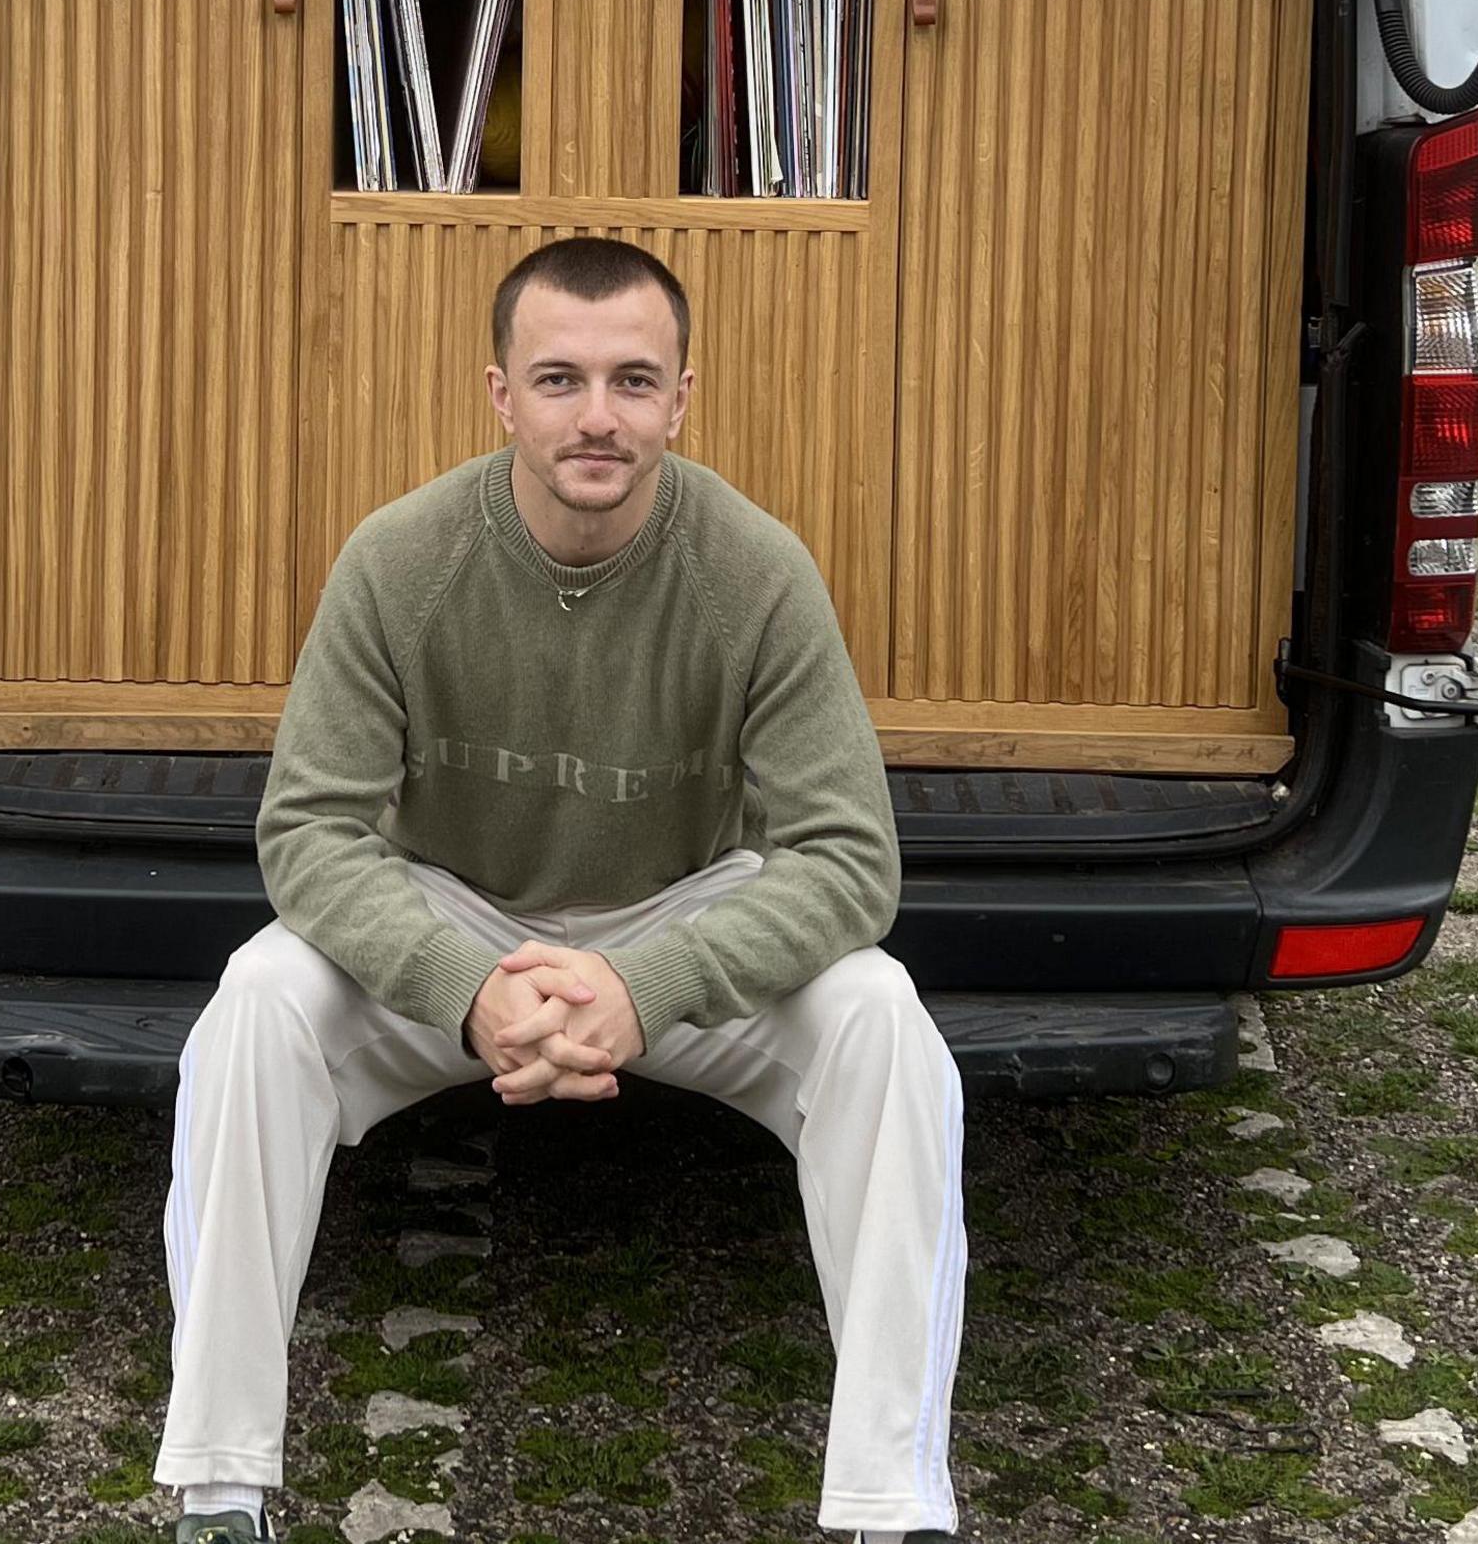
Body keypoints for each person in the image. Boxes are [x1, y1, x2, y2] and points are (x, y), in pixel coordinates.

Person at [155, 236, 967, 1543]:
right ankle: (218, 1484)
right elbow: (309, 830)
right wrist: (466, 986)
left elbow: (849, 857)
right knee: (258, 997)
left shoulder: (757, 572)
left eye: (635, 381)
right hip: (457, 914)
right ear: (500, 394)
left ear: (682, 398)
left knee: (880, 1013)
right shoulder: (399, 560)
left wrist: (647, 987)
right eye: (561, 379)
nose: (598, 416)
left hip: (679, 914)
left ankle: (890, 1502)